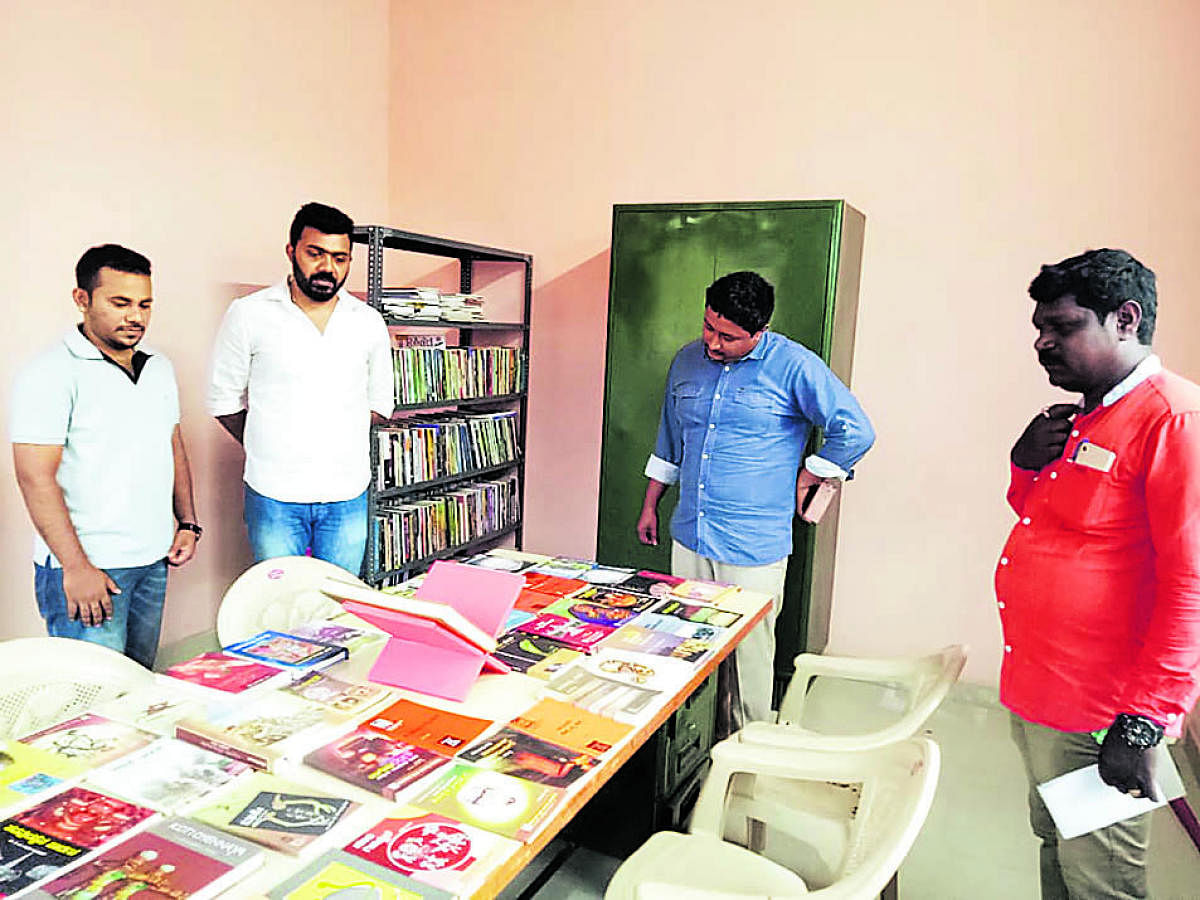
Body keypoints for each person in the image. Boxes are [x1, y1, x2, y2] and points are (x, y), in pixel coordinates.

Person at [998, 248, 1200, 899]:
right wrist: (1025, 463)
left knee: (1101, 884)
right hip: (1043, 694)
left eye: (1061, 326)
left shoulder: (1172, 419)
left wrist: (1143, 721)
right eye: (1040, 327)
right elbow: (1047, 525)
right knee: (1058, 846)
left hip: (1099, 711)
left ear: (1125, 319)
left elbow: (1190, 585)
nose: (1041, 342)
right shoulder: (1088, 414)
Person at [636, 270, 875, 735]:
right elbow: (669, 440)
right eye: (709, 327)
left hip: (754, 544)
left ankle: (748, 755)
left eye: (729, 336)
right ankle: (687, 753)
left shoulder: (794, 366)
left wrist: (814, 470)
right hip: (690, 533)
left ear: (760, 330)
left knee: (748, 661)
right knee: (684, 646)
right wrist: (651, 505)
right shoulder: (686, 362)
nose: (713, 342)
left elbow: (856, 430)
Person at [10, 244, 200, 669]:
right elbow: (33, 476)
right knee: (93, 708)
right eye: (120, 303)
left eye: (144, 304)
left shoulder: (159, 368)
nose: (136, 316)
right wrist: (75, 568)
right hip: (88, 569)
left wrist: (188, 521)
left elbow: (172, 444)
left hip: (151, 561)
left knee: (136, 688)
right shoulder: (50, 373)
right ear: (82, 300)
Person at [207, 202, 394, 575]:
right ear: (291, 251)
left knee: (336, 609)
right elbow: (223, 399)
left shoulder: (367, 322)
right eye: (316, 253)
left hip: (347, 495)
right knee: (282, 607)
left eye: (340, 258)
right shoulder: (248, 313)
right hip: (273, 495)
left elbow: (379, 403)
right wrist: (269, 441)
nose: (328, 267)